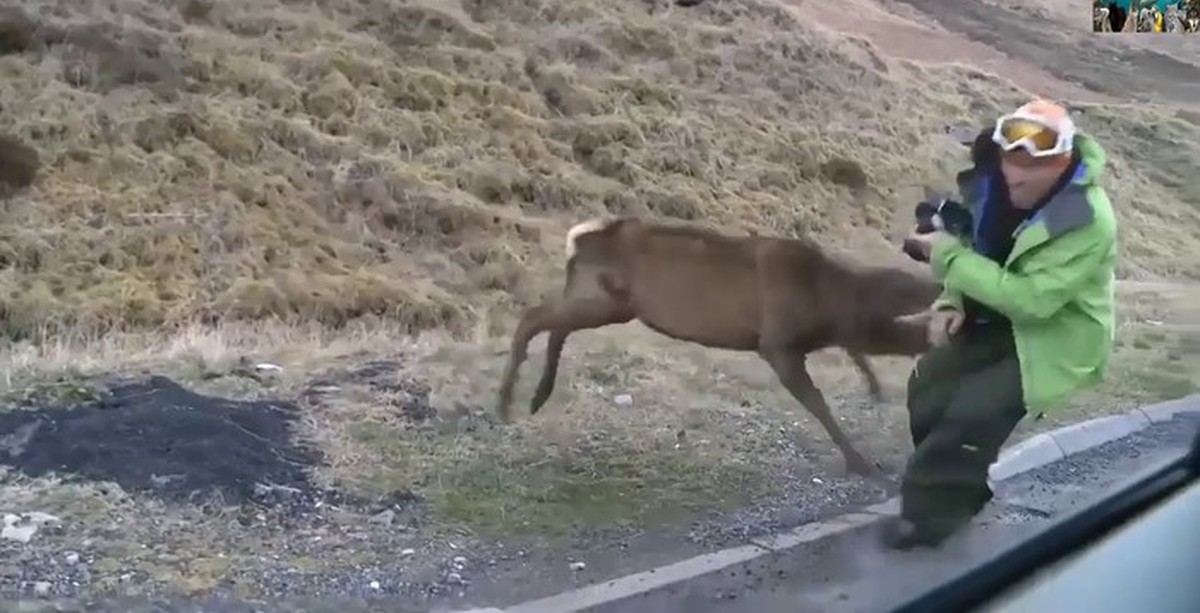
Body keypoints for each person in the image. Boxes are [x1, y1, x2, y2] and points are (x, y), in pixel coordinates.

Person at [885, 100, 1119, 549]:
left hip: (1049, 335)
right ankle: (961, 488)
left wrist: (945, 258)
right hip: (989, 311)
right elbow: (975, 246)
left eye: (1034, 164)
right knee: (927, 389)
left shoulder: (1088, 219)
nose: (1017, 174)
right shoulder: (990, 185)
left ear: (1064, 161)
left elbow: (1031, 302)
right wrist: (951, 302)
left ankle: (926, 530)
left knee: (971, 415)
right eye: (1011, 159)